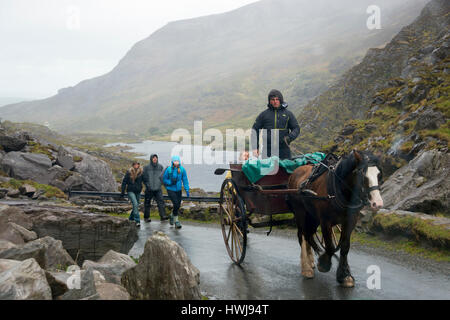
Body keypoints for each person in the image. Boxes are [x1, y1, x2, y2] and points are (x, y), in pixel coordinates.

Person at [251, 89, 300, 160]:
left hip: (284, 150)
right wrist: (255, 147)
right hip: (267, 151)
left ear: (281, 100)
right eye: (273, 99)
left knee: (286, 171)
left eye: (277, 99)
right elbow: (254, 130)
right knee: (268, 171)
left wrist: (289, 138)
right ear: (269, 101)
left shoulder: (288, 114)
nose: (275, 102)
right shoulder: (264, 115)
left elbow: (296, 128)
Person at [162, 155, 190, 229]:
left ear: (179, 161)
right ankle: (176, 221)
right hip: (170, 189)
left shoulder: (182, 169)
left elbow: (185, 180)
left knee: (178, 205)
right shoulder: (169, 170)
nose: (176, 163)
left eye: (177, 161)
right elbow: (164, 179)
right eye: (175, 161)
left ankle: (172, 215)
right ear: (172, 162)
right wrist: (170, 182)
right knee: (176, 203)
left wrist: (187, 189)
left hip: (178, 190)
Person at [142, 154, 168, 223]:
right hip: (149, 189)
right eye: (153, 158)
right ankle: (146, 217)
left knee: (161, 203)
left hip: (158, 189)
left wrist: (161, 184)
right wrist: (147, 186)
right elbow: (144, 178)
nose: (155, 159)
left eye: (156, 158)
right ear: (151, 159)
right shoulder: (146, 167)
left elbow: (163, 177)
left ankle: (163, 217)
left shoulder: (160, 167)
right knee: (147, 203)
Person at [121, 161, 144, 227]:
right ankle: (137, 221)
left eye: (138, 164)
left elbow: (145, 180)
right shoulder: (129, 172)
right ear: (133, 165)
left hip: (138, 191)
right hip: (130, 191)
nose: (136, 165)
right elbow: (124, 182)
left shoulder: (141, 172)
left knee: (136, 206)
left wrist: (148, 187)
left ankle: (131, 218)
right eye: (135, 164)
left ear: (139, 165)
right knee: (135, 204)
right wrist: (123, 191)